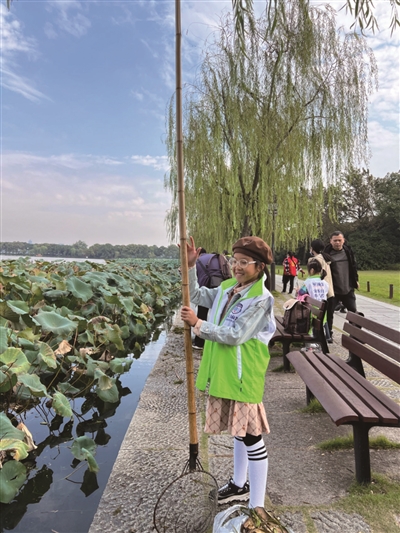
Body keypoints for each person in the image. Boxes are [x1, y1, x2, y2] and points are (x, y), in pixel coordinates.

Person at [180, 236, 276, 510]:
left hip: (244, 375)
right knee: (239, 432)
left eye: (244, 262)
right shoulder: (227, 288)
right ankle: (238, 484)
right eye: (235, 260)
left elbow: (235, 334)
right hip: (226, 373)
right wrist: (190, 266)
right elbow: (196, 295)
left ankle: (257, 507)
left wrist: (198, 324)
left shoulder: (261, 299)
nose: (237, 266)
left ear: (259, 267)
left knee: (252, 437)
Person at [193, 249, 232, 350]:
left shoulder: (198, 260)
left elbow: (196, 280)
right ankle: (217, 338)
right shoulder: (214, 257)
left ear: (198, 254)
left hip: (207, 285)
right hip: (223, 285)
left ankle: (199, 342)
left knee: (202, 313)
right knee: (219, 313)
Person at [324, 231, 359, 340]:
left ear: (343, 240)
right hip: (333, 289)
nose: (337, 243)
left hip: (348, 288)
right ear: (331, 241)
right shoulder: (326, 254)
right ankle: (328, 334)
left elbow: (353, 266)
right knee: (329, 313)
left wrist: (355, 280)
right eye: (335, 240)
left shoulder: (348, 252)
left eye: (339, 240)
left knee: (353, 312)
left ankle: (354, 334)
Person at [297, 259, 329, 350]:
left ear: (311, 270)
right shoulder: (325, 283)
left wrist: (298, 290)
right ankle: (320, 342)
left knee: (309, 326)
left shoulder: (308, 282)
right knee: (320, 326)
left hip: (311, 310)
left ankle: (309, 345)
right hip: (322, 311)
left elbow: (301, 292)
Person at [308, 239, 334, 343]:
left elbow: (313, 276)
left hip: (317, 290)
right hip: (327, 289)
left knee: (318, 314)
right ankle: (327, 335)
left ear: (312, 248)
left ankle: (319, 335)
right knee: (324, 315)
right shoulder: (325, 258)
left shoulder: (315, 260)